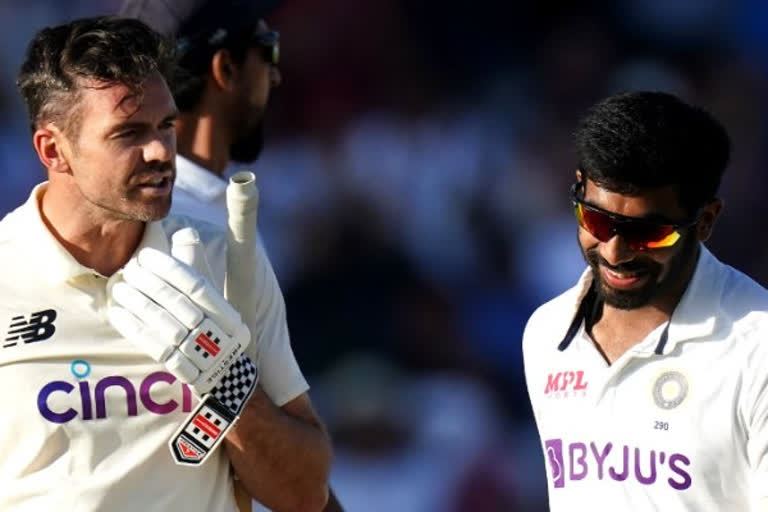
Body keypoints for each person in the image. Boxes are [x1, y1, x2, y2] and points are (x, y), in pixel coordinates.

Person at [3, 16, 331, 511]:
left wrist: (229, 384)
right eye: (129, 132)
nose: (160, 151)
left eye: (166, 125)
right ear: (54, 149)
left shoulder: (225, 256)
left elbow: (305, 495)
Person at [117, 2, 344, 511]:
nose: (278, 74)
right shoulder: (185, 221)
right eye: (268, 51)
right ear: (225, 68)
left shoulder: (214, 206)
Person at [522, 91, 768, 510]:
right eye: (596, 220)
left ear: (706, 221)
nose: (615, 253)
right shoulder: (547, 333)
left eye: (648, 234)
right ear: (579, 188)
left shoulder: (756, 348)